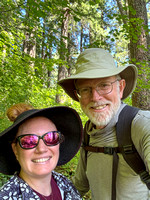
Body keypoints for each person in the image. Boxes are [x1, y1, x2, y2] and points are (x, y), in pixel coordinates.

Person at [58, 48, 150, 200]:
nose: (95, 97)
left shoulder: (141, 124)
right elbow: (78, 187)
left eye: (104, 85)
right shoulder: (88, 134)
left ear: (120, 88)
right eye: (86, 89)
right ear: (78, 96)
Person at [0, 103, 83, 200]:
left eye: (51, 137)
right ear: (15, 150)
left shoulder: (64, 183)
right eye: (29, 141)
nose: (42, 149)